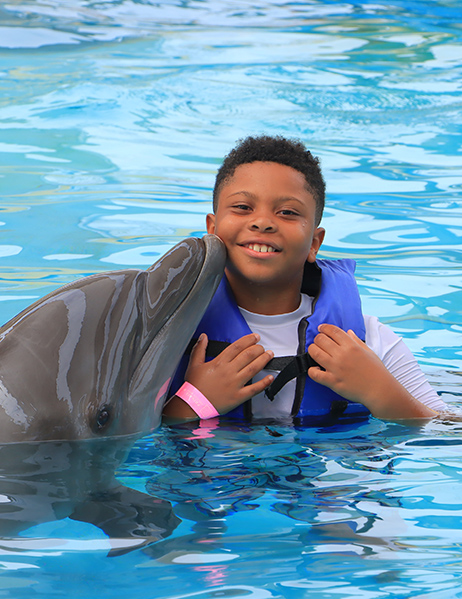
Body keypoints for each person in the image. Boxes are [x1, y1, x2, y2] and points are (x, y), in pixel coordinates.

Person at [164, 135, 446, 424]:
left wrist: (379, 392)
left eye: (287, 212)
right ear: (212, 228)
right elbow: (121, 433)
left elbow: (450, 428)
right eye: (242, 208)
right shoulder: (171, 333)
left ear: (315, 242)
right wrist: (195, 402)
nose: (262, 222)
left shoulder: (366, 341)